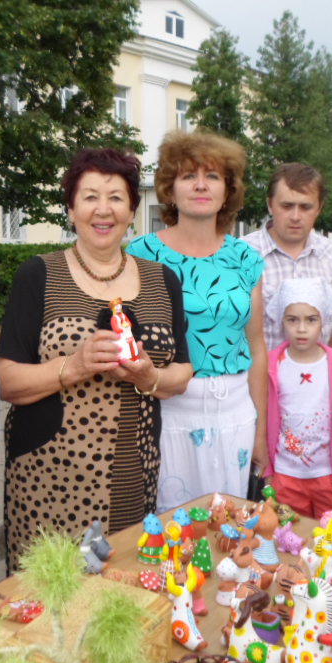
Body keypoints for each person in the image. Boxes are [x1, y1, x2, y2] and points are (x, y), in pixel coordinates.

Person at [0, 148, 192, 571]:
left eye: (116, 197)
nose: (103, 210)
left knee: (120, 590)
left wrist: (148, 375)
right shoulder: (38, 275)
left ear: (132, 210)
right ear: (70, 209)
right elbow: (6, 381)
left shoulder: (162, 280)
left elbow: (182, 373)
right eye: (89, 197)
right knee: (49, 595)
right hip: (49, 476)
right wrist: (75, 366)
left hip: (133, 471)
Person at [127, 130, 268, 511]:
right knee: (172, 532)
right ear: (170, 190)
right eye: (189, 176)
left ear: (228, 190)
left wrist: (261, 431)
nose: (201, 185)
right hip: (169, 411)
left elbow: (256, 347)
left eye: (213, 176)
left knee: (231, 530)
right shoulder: (142, 254)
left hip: (236, 414)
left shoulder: (246, 258)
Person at [262, 277, 332, 525]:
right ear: (281, 321)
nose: (301, 328)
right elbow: (262, 417)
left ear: (323, 322)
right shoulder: (271, 366)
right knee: (288, 541)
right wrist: (268, 473)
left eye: (311, 319)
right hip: (285, 477)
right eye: (292, 320)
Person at [242, 162, 332, 353]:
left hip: (318, 379)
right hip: (259, 377)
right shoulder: (242, 254)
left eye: (305, 207)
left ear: (319, 208)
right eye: (287, 206)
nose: (295, 216)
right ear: (270, 204)